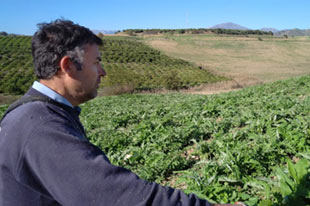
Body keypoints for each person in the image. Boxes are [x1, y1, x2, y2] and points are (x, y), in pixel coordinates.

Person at [0, 19, 242, 206]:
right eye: (96, 62)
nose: (103, 71)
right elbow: (114, 195)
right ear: (68, 66)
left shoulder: (38, 113)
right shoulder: (38, 126)